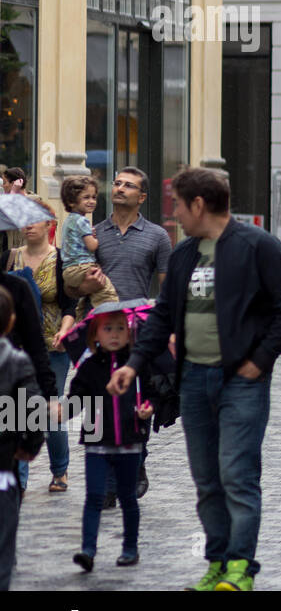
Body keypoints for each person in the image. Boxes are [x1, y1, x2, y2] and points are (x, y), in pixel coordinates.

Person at [107, 167, 281, 591]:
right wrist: (133, 363)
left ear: (199, 204)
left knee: (237, 474)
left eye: (178, 204)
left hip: (242, 382)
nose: (175, 213)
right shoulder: (183, 255)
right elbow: (162, 316)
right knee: (206, 480)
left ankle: (240, 569)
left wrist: (261, 360)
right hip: (194, 381)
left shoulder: (259, 247)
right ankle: (217, 563)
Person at [76, 167, 173, 503]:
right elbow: (77, 284)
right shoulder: (93, 233)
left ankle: (136, 462)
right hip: (98, 330)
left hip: (137, 333)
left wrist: (165, 326)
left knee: (136, 403)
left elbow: (167, 287)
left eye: (128, 186)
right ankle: (103, 482)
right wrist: (85, 286)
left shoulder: (158, 236)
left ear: (142, 196)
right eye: (117, 183)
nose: (119, 188)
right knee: (98, 401)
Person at [69, 308, 156, 571]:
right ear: (95, 334)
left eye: (121, 328)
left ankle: (130, 548)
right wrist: (63, 410)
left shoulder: (138, 366)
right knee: (94, 496)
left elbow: (152, 393)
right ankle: (88, 550)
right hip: (97, 442)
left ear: (130, 333)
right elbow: (76, 399)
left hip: (130, 440)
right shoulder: (88, 368)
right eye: (108, 328)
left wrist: (148, 409)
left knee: (128, 497)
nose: (115, 334)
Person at [8, 202, 75, 496]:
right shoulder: (10, 259)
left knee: (48, 407)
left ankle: (59, 469)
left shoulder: (61, 260)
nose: (28, 225)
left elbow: (69, 304)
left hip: (52, 346)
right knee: (18, 407)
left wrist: (65, 328)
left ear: (49, 225)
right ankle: (19, 476)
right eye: (25, 221)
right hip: (16, 345)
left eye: (35, 220)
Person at [0, 288, 42, 590]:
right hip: (4, 461)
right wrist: (29, 445)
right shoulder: (17, 361)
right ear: (11, 322)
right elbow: (33, 408)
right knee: (4, 539)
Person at [58, 176, 119, 307]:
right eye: (86, 197)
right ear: (71, 201)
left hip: (69, 270)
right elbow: (92, 246)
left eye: (94, 197)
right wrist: (95, 238)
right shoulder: (82, 221)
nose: (92, 201)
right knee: (106, 292)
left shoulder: (69, 220)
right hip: (82, 266)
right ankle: (110, 313)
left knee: (87, 298)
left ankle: (81, 316)